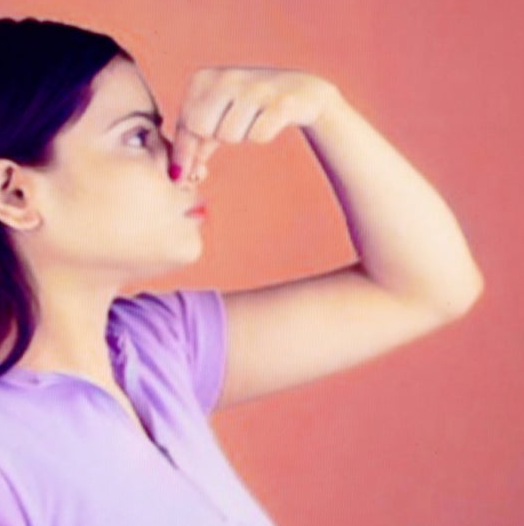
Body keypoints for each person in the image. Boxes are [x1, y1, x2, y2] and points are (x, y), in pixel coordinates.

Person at [0, 16, 484, 526]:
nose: (185, 165)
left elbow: (430, 287)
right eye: (137, 137)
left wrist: (324, 110)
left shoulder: (158, 346)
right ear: (14, 194)